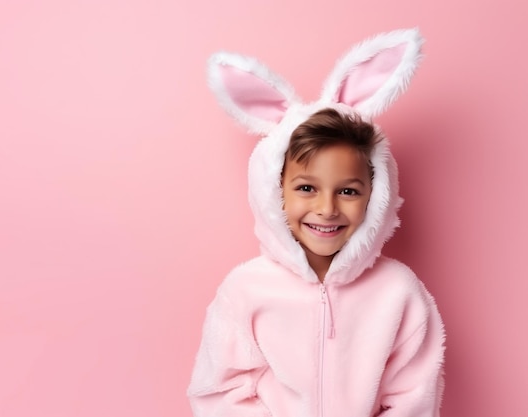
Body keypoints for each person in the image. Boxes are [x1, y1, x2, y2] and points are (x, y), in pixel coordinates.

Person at [187, 28, 445, 417]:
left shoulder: (399, 293)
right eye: (307, 188)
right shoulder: (245, 290)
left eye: (348, 191)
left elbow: (415, 396)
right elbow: (219, 393)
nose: (327, 209)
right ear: (275, 192)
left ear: (376, 197)